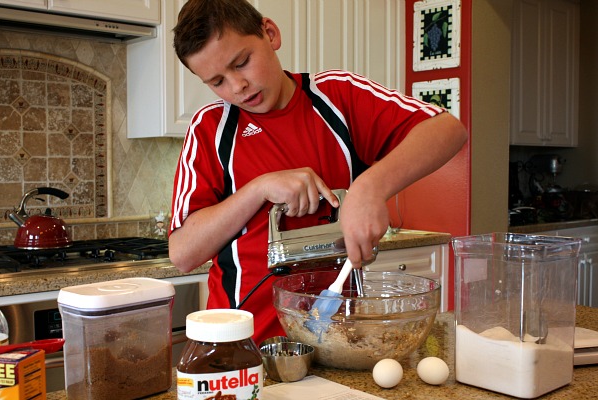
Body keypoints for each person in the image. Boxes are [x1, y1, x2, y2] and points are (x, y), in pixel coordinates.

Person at [168, 0, 467, 344]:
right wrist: (258, 189)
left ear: (270, 33)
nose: (237, 86)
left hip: (337, 342)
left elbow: (448, 130)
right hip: (243, 347)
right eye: (217, 81)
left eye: (242, 62)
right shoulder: (210, 128)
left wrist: (369, 188)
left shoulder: (338, 96)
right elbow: (183, 254)